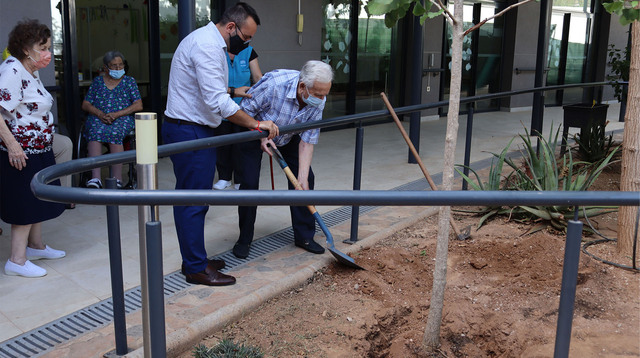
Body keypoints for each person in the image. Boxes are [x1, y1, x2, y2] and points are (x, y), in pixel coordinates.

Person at [162, 2, 278, 286]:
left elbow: (207, 89)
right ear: (231, 27)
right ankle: (195, 269)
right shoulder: (207, 46)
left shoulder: (206, 40)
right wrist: (255, 123)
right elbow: (217, 100)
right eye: (247, 37)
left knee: (195, 199)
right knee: (193, 201)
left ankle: (195, 259)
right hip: (189, 131)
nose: (248, 43)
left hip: (194, 128)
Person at [232, 60, 333, 259]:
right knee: (249, 184)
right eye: (318, 94)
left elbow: (308, 140)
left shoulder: (319, 97)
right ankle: (244, 238)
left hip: (287, 134)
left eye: (325, 94)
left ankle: (304, 236)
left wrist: (301, 177)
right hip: (253, 130)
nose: (322, 99)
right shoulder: (274, 84)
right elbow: (244, 110)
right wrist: (259, 131)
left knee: (305, 181)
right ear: (303, 86)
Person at [0, 19, 66, 278]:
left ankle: (36, 246)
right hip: (21, 151)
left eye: (49, 47)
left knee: (39, 197)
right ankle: (16, 260)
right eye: (43, 47)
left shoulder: (30, 70)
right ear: (26, 48)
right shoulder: (12, 69)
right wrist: (13, 145)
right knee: (25, 203)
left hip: (39, 148)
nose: (48, 53)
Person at [81, 51, 143, 189]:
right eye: (114, 66)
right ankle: (95, 178)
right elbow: (86, 104)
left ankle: (117, 179)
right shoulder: (97, 82)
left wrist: (117, 114)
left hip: (122, 118)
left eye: (120, 65)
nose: (118, 68)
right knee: (94, 133)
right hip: (99, 117)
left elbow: (138, 105)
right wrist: (100, 113)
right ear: (105, 67)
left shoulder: (129, 82)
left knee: (114, 133)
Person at [213, 46, 263, 191]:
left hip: (243, 108)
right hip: (222, 106)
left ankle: (240, 179)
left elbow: (258, 77)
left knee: (242, 146)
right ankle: (224, 177)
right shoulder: (218, 50)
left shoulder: (249, 51)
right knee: (222, 144)